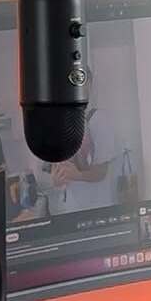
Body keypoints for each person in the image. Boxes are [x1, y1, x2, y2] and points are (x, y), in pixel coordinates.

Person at [46, 68, 124, 215]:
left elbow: (101, 172)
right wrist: (56, 181)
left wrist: (77, 175)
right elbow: (57, 172)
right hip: (72, 210)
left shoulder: (100, 120)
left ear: (89, 85)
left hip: (96, 210)